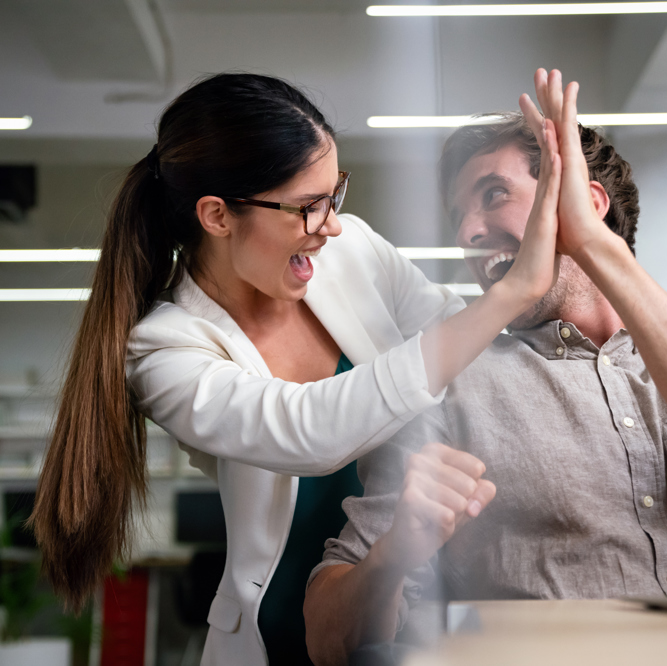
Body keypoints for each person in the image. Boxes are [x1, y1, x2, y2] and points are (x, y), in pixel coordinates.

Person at [29, 72, 564, 666]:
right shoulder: (163, 350)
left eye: (335, 195)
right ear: (217, 216)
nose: (331, 225)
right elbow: (313, 432)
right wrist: (510, 293)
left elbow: (469, 357)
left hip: (400, 623)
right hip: (277, 638)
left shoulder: (350, 249)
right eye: (308, 207)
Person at [302, 70, 667, 665]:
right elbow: (327, 641)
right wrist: (399, 550)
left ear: (587, 204)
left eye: (494, 194)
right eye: (458, 216)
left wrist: (593, 244)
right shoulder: (444, 390)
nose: (469, 231)